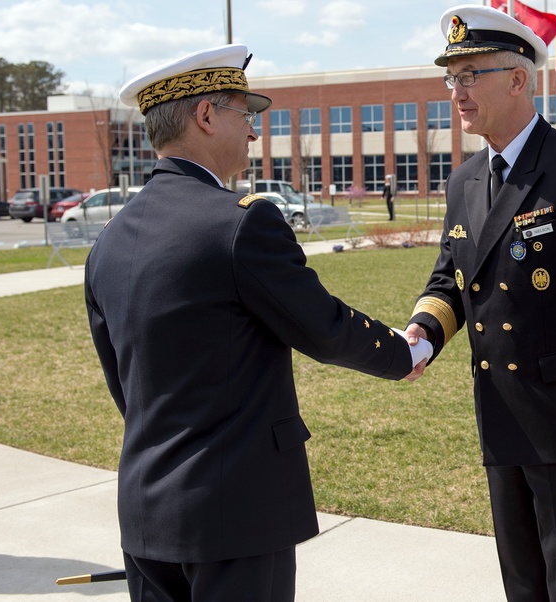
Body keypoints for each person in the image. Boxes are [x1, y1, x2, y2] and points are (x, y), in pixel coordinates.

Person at [84, 44, 430, 602]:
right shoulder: (240, 225)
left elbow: (124, 385)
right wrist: (403, 353)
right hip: (237, 512)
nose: (252, 133)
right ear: (204, 116)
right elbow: (321, 325)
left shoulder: (109, 241)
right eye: (246, 115)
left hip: (148, 512)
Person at [405, 5, 556, 602]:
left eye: (469, 76)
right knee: (524, 589)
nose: (455, 93)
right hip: (503, 419)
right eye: (450, 78)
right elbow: (451, 282)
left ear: (518, 79)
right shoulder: (464, 182)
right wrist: (420, 336)